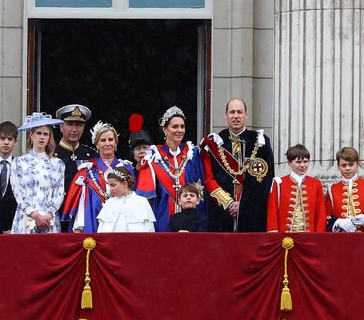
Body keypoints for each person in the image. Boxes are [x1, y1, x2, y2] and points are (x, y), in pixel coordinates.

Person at [200, 98, 275, 233]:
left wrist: (244, 204)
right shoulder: (215, 143)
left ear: (246, 115)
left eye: (240, 112)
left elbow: (266, 180)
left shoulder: (260, 141)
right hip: (222, 212)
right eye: (232, 112)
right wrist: (228, 203)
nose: (236, 116)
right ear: (226, 116)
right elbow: (208, 179)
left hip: (253, 213)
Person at [136, 106, 207, 232]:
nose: (179, 130)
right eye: (175, 127)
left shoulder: (192, 154)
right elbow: (145, 197)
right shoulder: (153, 156)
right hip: (163, 216)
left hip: (191, 219)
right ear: (165, 129)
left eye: (182, 126)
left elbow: (200, 189)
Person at [64, 122, 137, 233]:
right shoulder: (87, 169)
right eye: (103, 140)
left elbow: (133, 199)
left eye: (111, 140)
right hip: (93, 219)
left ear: (116, 143)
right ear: (96, 144)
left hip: (121, 222)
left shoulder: (126, 168)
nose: (107, 143)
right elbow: (81, 203)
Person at [11, 112, 67, 233]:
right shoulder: (19, 162)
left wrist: (48, 214)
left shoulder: (58, 164)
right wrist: (33, 214)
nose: (42, 137)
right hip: (26, 220)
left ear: (49, 137)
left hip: (49, 221)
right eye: (39, 133)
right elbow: (18, 192)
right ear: (31, 135)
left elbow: (59, 193)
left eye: (45, 134)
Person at [266, 144, 327, 233]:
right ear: (289, 163)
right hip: (285, 238)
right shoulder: (278, 183)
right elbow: (272, 213)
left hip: (310, 237)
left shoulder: (316, 183)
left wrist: (319, 236)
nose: (302, 165)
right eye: (298, 162)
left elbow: (320, 213)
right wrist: (274, 234)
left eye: (305, 161)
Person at [328, 147, 364, 232]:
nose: (347, 168)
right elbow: (326, 216)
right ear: (338, 166)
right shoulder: (332, 189)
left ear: (357, 164)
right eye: (343, 165)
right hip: (340, 239)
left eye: (351, 164)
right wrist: (338, 222)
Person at [95, 167, 156, 233]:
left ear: (125, 184)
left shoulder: (141, 201)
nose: (111, 189)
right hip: (112, 242)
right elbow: (101, 229)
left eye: (113, 185)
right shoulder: (109, 203)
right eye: (109, 185)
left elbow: (150, 229)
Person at [53, 104, 97, 192]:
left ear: (84, 127)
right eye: (70, 124)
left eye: (78, 125)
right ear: (61, 127)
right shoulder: (51, 153)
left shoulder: (91, 154)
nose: (74, 130)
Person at [0, 120, 19, 233]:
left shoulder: (20, 166)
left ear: (15, 142)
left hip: (13, 227)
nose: (6, 142)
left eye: (10, 139)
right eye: (2, 139)